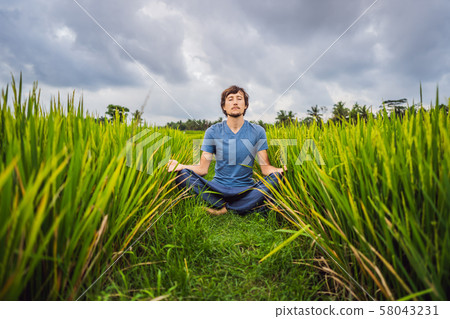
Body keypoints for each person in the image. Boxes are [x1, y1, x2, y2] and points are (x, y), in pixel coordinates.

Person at [167, 85, 286, 215]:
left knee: (277, 178)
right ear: (224, 106)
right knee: (182, 174)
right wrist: (180, 166)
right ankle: (245, 206)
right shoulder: (212, 131)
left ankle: (224, 209)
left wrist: (282, 171)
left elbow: (265, 169)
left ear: (245, 105)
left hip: (246, 189)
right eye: (230, 99)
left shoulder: (257, 131)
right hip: (217, 189)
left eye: (239, 98)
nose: (235, 102)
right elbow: (202, 169)